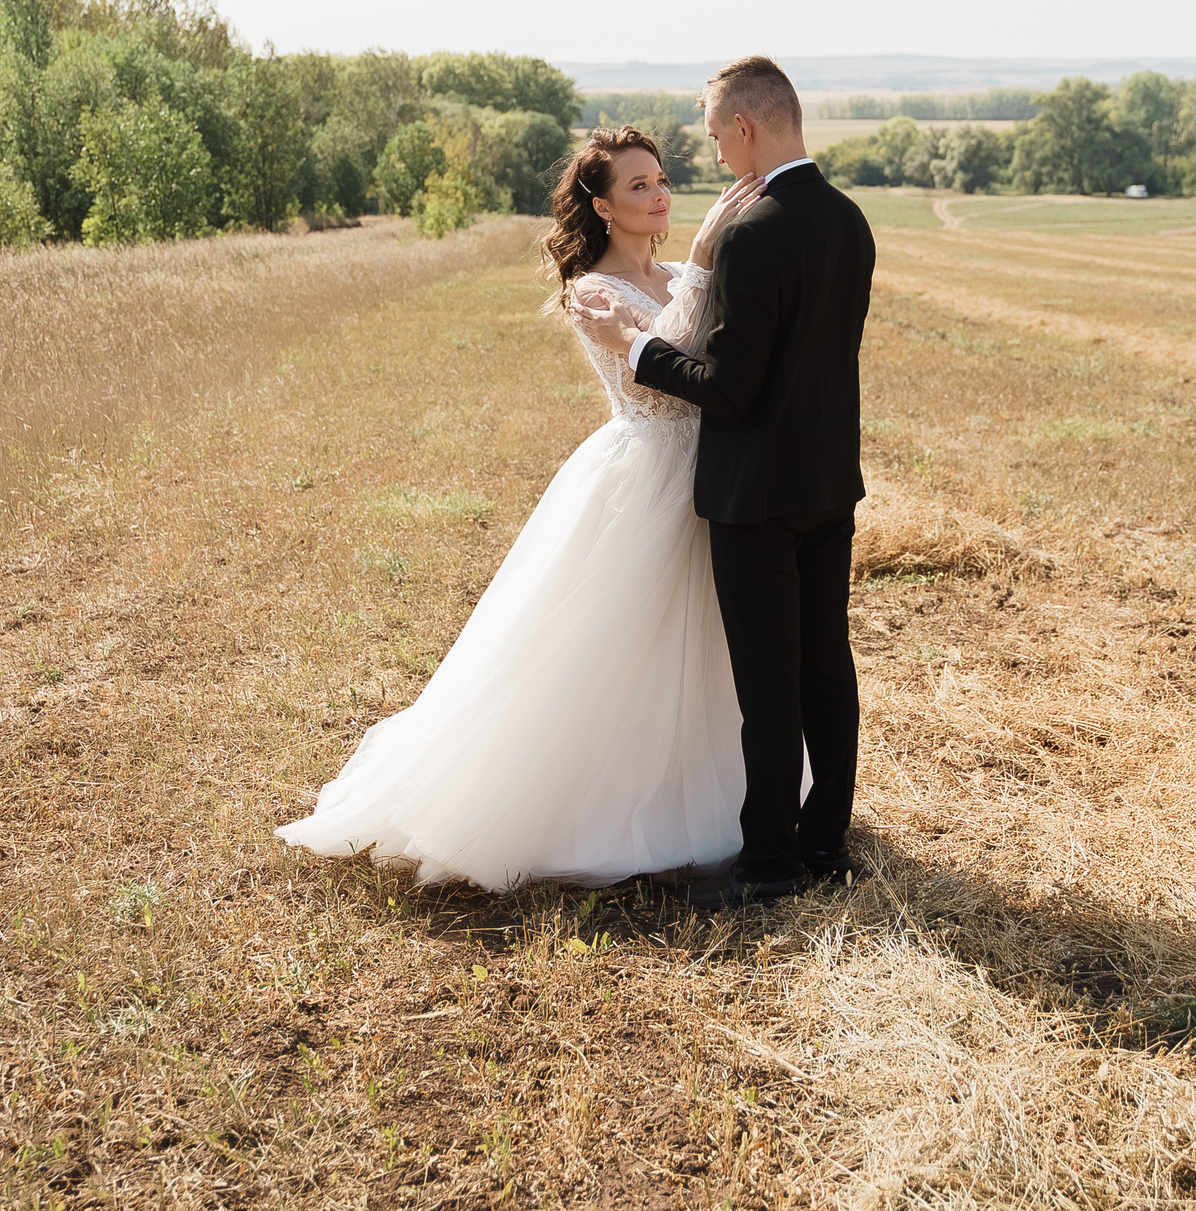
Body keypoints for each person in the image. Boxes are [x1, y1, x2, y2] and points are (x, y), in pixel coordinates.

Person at [276, 129, 769, 888]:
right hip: (645, 475)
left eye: (662, 179)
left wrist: (701, 273)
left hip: (715, 473)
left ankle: (728, 796)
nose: (659, 193)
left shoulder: (677, 273)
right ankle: (599, 810)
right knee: (622, 646)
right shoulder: (593, 290)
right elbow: (650, 382)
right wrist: (704, 264)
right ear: (602, 205)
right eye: (637, 185)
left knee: (713, 641)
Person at [571, 56, 876, 909]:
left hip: (755, 496)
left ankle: (771, 859)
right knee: (827, 667)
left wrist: (636, 344)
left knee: (768, 683)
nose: (709, 157)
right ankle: (828, 839)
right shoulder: (851, 221)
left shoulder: (749, 232)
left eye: (711, 137)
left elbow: (730, 388)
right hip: (828, 483)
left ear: (745, 128)